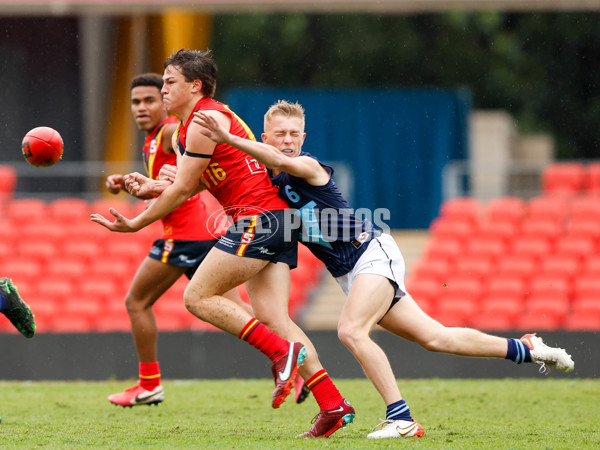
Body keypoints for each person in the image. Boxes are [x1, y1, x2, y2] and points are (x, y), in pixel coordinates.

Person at [193, 99, 575, 439]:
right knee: (436, 337)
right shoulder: (269, 185)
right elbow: (232, 182)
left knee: (351, 331)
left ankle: (401, 418)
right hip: (350, 272)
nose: (288, 139)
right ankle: (526, 349)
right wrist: (164, 187)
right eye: (280, 134)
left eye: (294, 133)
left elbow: (277, 160)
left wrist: (227, 137)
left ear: (303, 136)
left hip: (370, 254)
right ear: (266, 135)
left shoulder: (306, 165)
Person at [91, 49, 354, 438]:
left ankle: (282, 354)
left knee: (197, 297)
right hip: (277, 221)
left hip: (258, 220)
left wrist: (136, 222)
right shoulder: (193, 125)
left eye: (169, 82)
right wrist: (151, 186)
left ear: (194, 86)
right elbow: (196, 181)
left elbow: (183, 190)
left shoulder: (202, 119)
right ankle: (332, 403)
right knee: (275, 319)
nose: (162, 89)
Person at [104, 73, 250, 408]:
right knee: (238, 311)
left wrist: (176, 173)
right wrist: (122, 181)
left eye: (150, 100)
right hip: (200, 235)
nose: (141, 107)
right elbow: (166, 177)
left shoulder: (170, 131)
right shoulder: (154, 138)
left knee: (136, 301)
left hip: (185, 236)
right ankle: (293, 361)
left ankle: (149, 384)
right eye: (136, 101)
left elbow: (188, 168)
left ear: (165, 101)